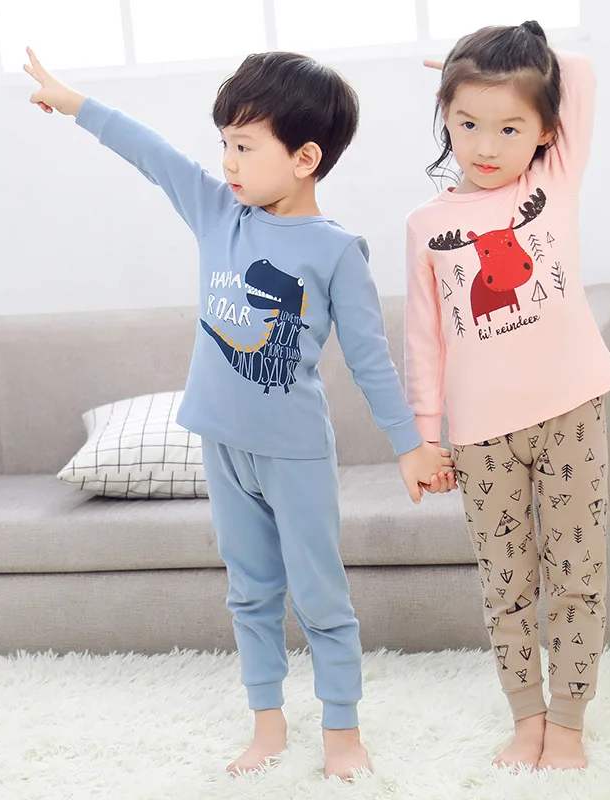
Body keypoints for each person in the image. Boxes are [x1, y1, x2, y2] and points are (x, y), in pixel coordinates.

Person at [25, 46, 454, 781]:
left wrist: (410, 444)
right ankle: (267, 727)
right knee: (250, 593)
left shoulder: (336, 252)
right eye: (224, 142)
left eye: (245, 146)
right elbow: (152, 153)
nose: (227, 160)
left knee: (320, 597)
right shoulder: (218, 213)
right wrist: (75, 104)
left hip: (294, 455)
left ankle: (343, 733)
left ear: (305, 158)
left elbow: (370, 360)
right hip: (221, 446)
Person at [404, 21, 610, 770]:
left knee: (578, 577)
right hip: (480, 434)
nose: (486, 145)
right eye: (466, 123)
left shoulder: (551, 183)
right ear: (445, 117)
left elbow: (579, 71)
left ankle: (569, 724)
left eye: (509, 127)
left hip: (572, 410)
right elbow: (425, 338)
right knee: (507, 586)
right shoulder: (427, 225)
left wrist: (511, 55)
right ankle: (526, 719)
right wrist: (425, 435)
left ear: (544, 131)